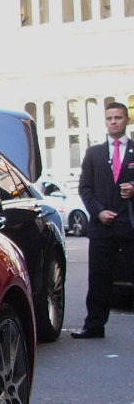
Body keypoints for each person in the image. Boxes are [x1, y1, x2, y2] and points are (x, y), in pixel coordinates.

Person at [72, 101, 134, 338]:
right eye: (110, 118)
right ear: (105, 122)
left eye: (118, 117)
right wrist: (98, 211)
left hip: (129, 224)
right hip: (102, 226)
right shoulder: (94, 153)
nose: (114, 122)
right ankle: (94, 325)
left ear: (126, 120)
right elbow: (85, 188)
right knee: (99, 277)